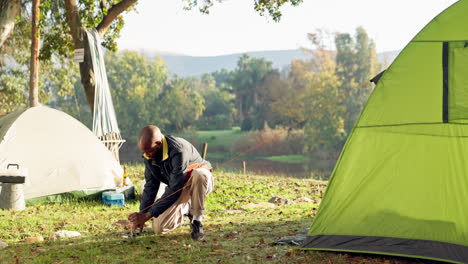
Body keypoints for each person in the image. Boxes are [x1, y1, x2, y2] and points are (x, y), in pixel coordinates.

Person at [128, 125, 214, 240]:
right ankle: (186, 209)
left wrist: (148, 215)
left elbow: (175, 188)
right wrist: (141, 215)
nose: (147, 155)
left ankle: (197, 221)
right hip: (180, 188)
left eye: (149, 151)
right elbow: (150, 186)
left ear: (158, 144)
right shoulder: (148, 155)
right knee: (159, 228)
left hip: (199, 183)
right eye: (144, 152)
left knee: (199, 174)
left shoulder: (178, 150)